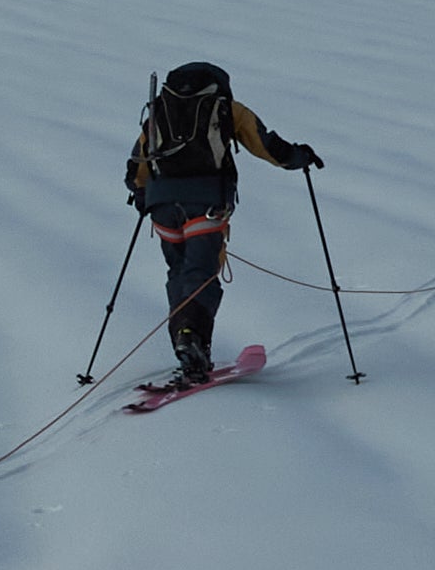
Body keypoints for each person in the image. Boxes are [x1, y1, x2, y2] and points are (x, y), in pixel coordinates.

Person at [120, 62, 324, 389]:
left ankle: (186, 342)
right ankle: (192, 340)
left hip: (162, 207)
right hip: (206, 202)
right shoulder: (227, 108)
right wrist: (300, 157)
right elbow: (267, 145)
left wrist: (144, 194)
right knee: (201, 273)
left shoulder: (160, 110)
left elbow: (136, 167)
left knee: (179, 272)